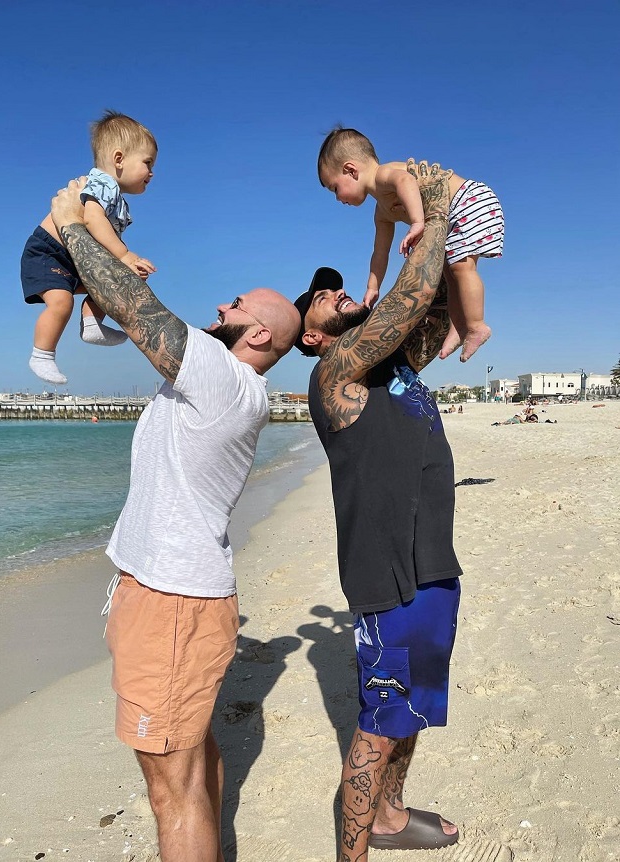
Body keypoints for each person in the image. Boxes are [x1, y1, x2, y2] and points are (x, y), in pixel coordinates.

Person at [49, 179, 301, 862]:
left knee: (172, 790)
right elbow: (126, 303)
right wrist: (103, 246)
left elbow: (137, 310)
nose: (221, 304)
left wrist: (71, 225)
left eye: (237, 304)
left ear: (257, 333)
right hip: (170, 596)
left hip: (173, 602)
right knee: (189, 766)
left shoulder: (225, 378)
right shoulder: (225, 383)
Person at [295, 162, 462, 858]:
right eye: (320, 297)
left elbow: (437, 306)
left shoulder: (394, 366)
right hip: (385, 576)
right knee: (378, 722)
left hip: (433, 563)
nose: (335, 293)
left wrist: (446, 231)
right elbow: (411, 291)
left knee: (413, 707)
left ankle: (389, 815)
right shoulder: (333, 372)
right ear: (311, 337)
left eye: (336, 286)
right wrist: (434, 207)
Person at [317, 127, 505, 362]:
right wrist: (373, 286)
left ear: (351, 170)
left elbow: (406, 180)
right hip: (454, 214)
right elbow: (380, 251)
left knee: (461, 267)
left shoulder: (384, 175)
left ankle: (476, 325)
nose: (337, 198)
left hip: (468, 200)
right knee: (450, 275)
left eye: (335, 188)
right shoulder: (382, 212)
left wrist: (417, 222)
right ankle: (459, 327)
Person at [21, 111, 158, 385]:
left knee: (114, 280)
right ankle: (42, 354)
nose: (152, 172)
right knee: (61, 303)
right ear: (119, 159)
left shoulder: (116, 198)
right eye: (147, 163)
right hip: (50, 253)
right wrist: (124, 255)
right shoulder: (102, 183)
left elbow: (103, 237)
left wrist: (125, 264)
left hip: (73, 257)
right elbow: (93, 220)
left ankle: (92, 323)